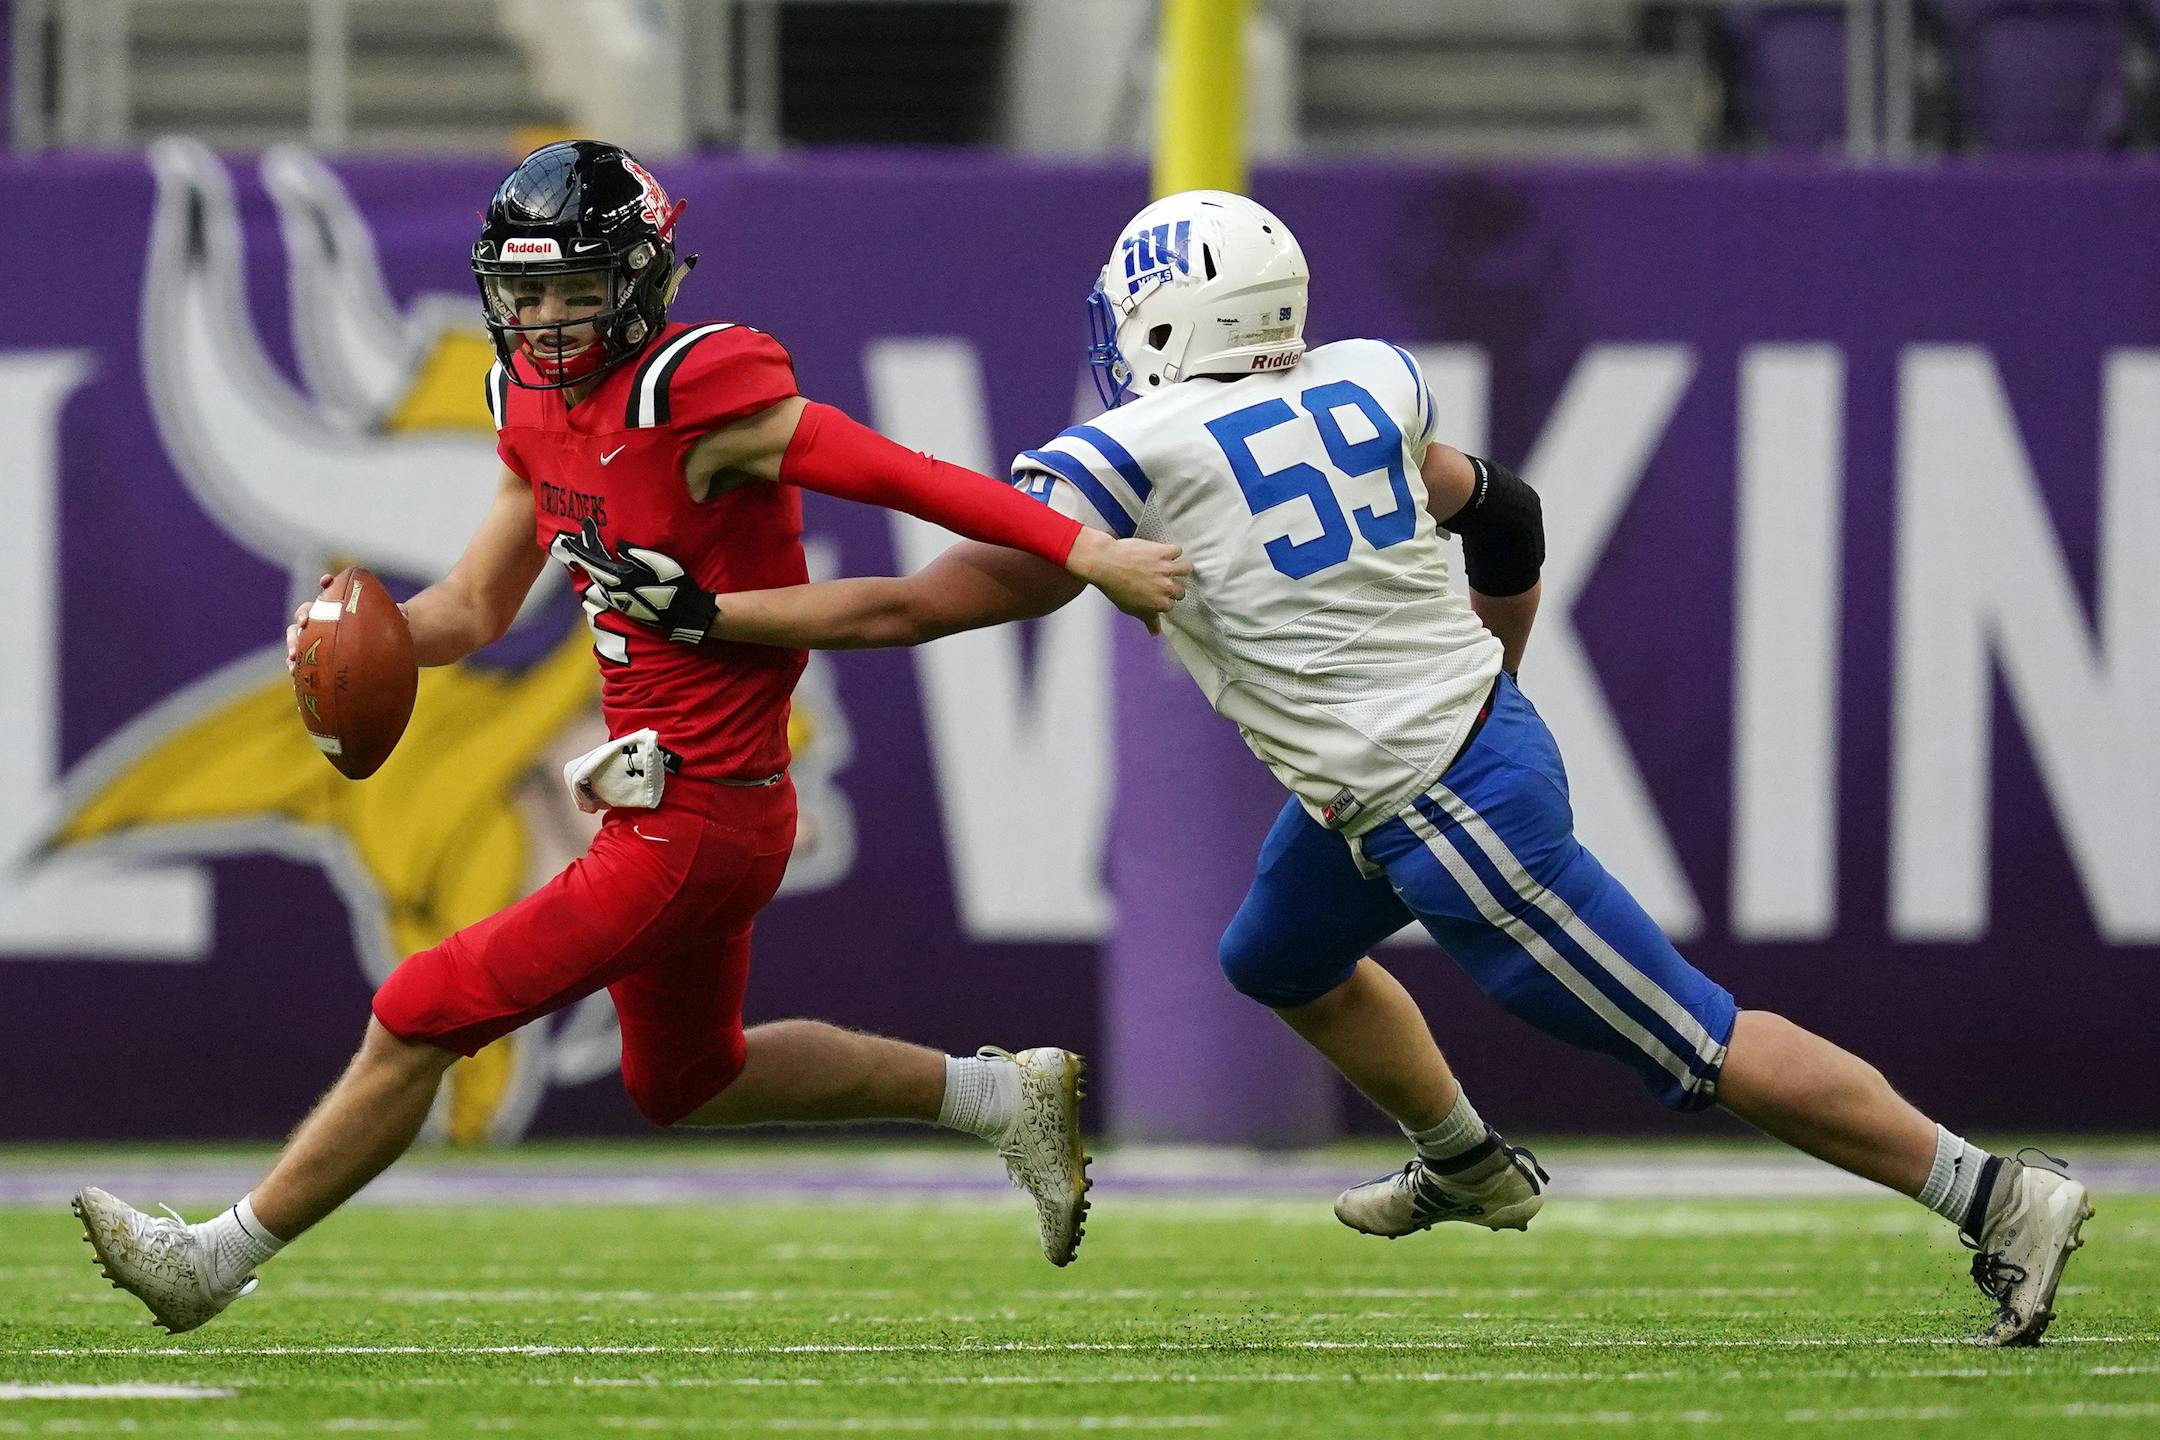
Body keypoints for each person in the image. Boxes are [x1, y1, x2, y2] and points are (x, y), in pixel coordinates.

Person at [566, 189, 2095, 1348]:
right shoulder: (1370, 377)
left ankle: (1988, 1190)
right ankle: (1462, 1158)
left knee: (1690, 1042)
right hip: (1424, 762)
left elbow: (913, 604)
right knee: (1277, 952)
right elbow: (1504, 510)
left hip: (1438, 799)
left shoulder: (1139, 453)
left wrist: (711, 612)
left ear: (1160, 320)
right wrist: (1490, 673)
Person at [73, 141, 1187, 1333]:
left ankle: (215, 1258)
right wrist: (376, 633)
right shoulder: (529, 403)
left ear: (643, 281)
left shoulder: (697, 389)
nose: (547, 319)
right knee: (689, 1080)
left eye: (576, 289)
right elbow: (476, 609)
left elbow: (908, 477)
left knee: (420, 1007)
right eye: (527, 291)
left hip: (701, 814)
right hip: (664, 800)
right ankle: (998, 1098)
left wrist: (1091, 551)